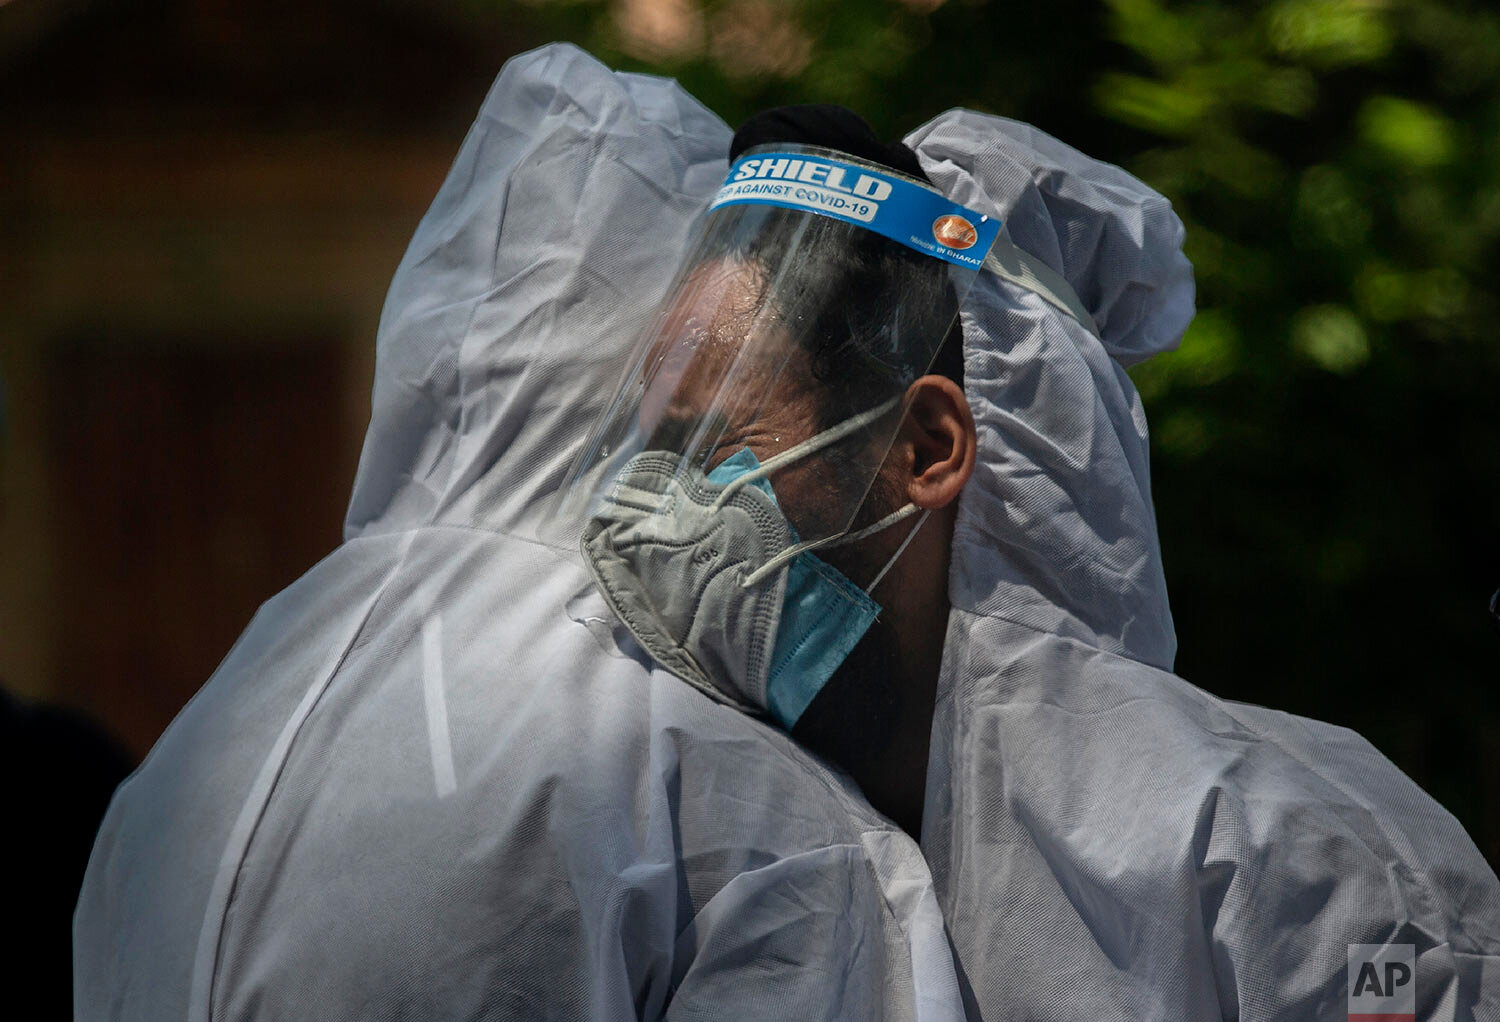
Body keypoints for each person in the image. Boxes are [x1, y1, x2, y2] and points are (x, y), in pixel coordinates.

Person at [75, 43, 1500, 1021]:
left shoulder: (1271, 851)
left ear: (929, 448)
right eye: (648, 439)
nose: (655, 496)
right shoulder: (717, 804)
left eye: (718, 441)